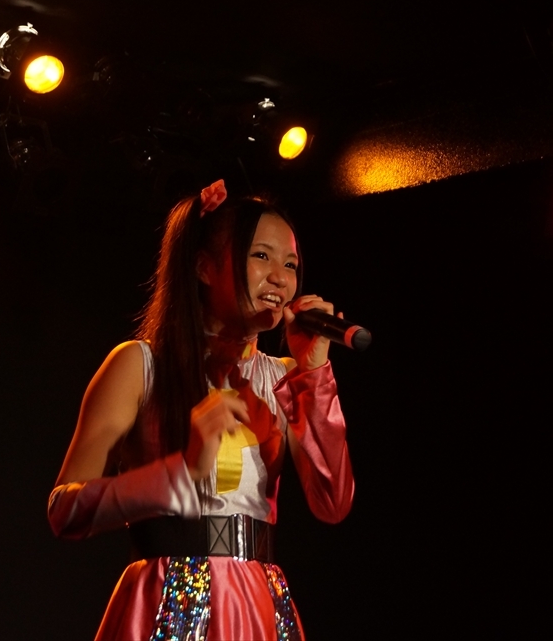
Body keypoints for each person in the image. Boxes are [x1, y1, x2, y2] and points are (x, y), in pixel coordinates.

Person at [47, 180, 354, 640]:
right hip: (167, 600)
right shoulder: (140, 365)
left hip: (257, 604)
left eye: (290, 264)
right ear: (204, 267)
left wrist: (315, 375)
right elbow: (64, 511)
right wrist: (181, 472)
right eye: (261, 256)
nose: (280, 278)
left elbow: (333, 504)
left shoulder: (288, 378)